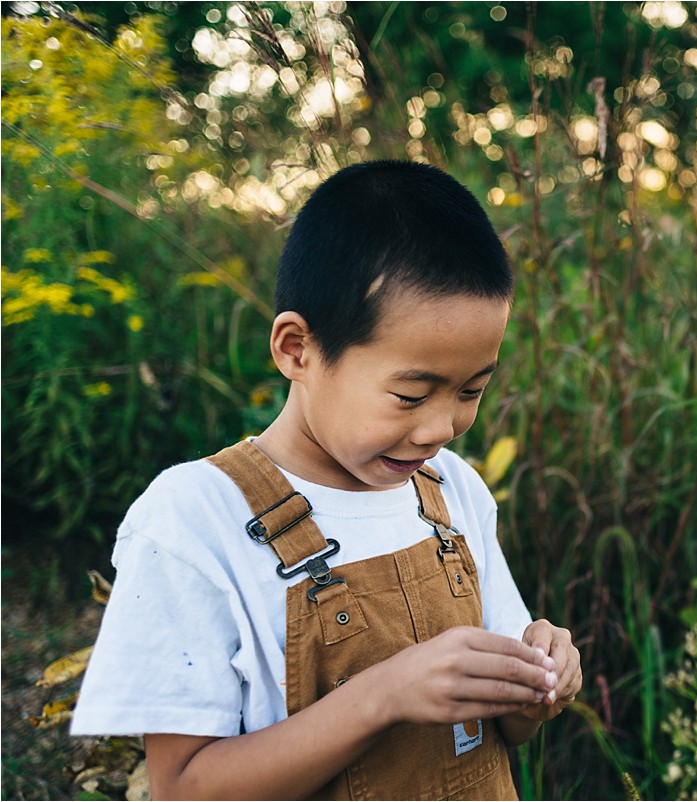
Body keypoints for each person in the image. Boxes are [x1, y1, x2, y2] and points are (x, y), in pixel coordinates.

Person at [71, 160, 582, 800]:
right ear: (297, 350)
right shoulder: (196, 518)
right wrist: (384, 695)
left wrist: (538, 683)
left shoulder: (452, 492)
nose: (441, 429)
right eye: (410, 395)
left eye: (472, 390)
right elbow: (184, 787)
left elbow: (506, 727)